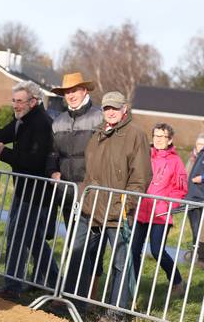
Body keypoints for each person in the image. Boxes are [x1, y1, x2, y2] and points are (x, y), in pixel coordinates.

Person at [64, 91, 152, 321]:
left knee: (121, 264)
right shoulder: (98, 133)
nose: (110, 112)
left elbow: (141, 177)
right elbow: (89, 173)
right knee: (78, 256)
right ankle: (73, 304)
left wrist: (126, 204)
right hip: (90, 208)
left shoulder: (136, 135)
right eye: (106, 108)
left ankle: (117, 312)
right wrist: (83, 197)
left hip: (118, 211)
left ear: (125, 109)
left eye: (115, 108)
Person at [0, 81, 58, 299]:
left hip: (36, 191)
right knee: (33, 239)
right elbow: (2, 135)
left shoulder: (41, 124)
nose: (15, 105)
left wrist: (4, 154)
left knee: (18, 236)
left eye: (19, 101)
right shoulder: (22, 120)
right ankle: (52, 280)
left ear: (33, 102)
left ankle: (12, 288)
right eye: (13, 101)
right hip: (24, 188)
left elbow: (36, 161)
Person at [131, 123, 187, 295]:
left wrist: (170, 204)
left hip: (161, 214)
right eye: (156, 136)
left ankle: (177, 281)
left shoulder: (175, 161)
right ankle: (131, 287)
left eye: (162, 136)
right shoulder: (145, 155)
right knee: (133, 250)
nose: (158, 139)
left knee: (157, 251)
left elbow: (181, 188)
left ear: (170, 139)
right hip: (140, 211)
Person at [46, 73, 103, 224]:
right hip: (66, 192)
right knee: (72, 238)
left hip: (91, 193)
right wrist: (52, 171)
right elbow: (52, 153)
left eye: (74, 91)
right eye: (67, 92)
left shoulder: (99, 118)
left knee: (86, 243)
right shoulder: (58, 121)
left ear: (84, 91)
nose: (70, 95)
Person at [184, 133, 204, 266]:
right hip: (190, 197)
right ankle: (197, 253)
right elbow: (185, 173)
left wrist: (202, 178)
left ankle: (199, 256)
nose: (200, 147)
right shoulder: (193, 158)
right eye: (198, 144)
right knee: (194, 227)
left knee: (199, 228)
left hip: (200, 197)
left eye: (203, 144)